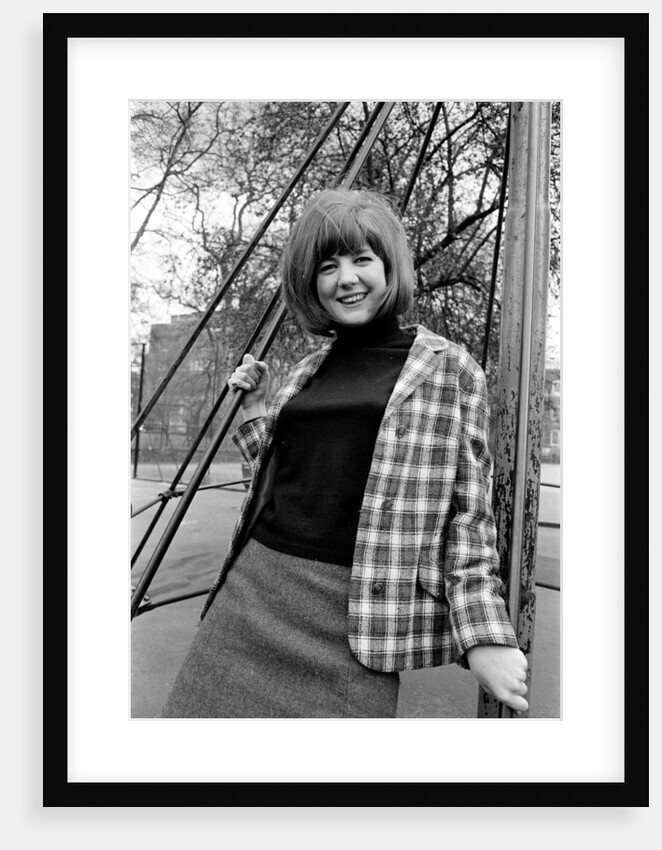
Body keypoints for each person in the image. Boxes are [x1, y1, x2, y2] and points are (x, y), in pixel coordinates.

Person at [161, 187, 528, 719]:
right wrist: (256, 412)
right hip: (253, 594)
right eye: (327, 266)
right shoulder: (307, 371)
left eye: (362, 259)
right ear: (312, 283)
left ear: (389, 267)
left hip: (357, 617)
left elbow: (469, 517)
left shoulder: (448, 368)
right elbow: (277, 485)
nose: (346, 278)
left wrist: (483, 634)